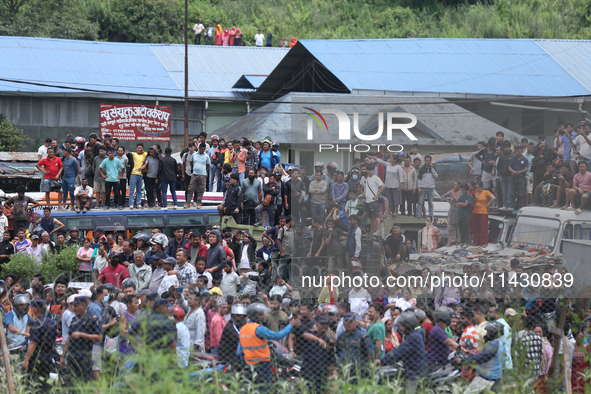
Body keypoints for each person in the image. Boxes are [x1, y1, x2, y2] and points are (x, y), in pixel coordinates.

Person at [239, 303, 300, 393]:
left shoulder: (243, 329)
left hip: (249, 365)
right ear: (255, 316)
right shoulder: (258, 329)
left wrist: (243, 366)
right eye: (261, 315)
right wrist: (291, 325)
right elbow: (277, 336)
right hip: (262, 365)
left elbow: (241, 350)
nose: (263, 317)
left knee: (252, 389)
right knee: (265, 389)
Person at [377, 311, 428, 394]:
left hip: (415, 375)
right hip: (413, 371)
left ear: (408, 325)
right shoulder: (413, 334)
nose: (400, 328)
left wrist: (381, 361)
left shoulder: (413, 337)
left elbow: (399, 351)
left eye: (402, 326)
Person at [453, 321, 507, 394]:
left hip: (485, 379)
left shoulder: (494, 345)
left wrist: (462, 360)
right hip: (493, 377)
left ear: (494, 333)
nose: (487, 334)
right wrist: (471, 354)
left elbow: (481, 359)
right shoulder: (500, 342)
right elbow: (485, 356)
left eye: (489, 332)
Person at [59, 296, 102, 383]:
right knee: (72, 383)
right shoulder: (74, 319)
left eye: (77, 306)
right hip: (72, 357)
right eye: (73, 306)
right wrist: (63, 357)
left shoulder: (93, 319)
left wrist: (82, 335)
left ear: (84, 306)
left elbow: (99, 337)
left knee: (85, 383)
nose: (74, 308)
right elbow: (69, 338)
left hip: (85, 358)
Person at [336, 312, 374, 381]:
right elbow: (338, 352)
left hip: (358, 371)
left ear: (355, 322)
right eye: (346, 322)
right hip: (344, 371)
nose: (348, 324)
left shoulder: (362, 337)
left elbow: (370, 355)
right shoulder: (340, 337)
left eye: (351, 321)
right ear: (343, 323)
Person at [426, 307, 458, 372]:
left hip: (439, 363)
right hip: (436, 364)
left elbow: (445, 346)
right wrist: (462, 349)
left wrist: (455, 350)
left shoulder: (440, 329)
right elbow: (449, 342)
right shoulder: (438, 329)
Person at [360, 163, 385, 236]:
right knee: (371, 217)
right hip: (367, 200)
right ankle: (372, 231)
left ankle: (378, 231)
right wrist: (362, 195)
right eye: (369, 170)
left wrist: (377, 195)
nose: (370, 171)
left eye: (371, 170)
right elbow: (366, 190)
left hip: (374, 200)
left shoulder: (376, 178)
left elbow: (383, 186)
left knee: (376, 216)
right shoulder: (366, 178)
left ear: (374, 170)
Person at [186, 143, 210, 209]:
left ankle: (199, 203)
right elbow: (191, 163)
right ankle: (188, 203)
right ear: (199, 148)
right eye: (202, 149)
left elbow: (208, 165)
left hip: (202, 175)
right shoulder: (194, 155)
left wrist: (204, 171)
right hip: (194, 174)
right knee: (190, 188)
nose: (203, 150)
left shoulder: (206, 156)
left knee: (201, 190)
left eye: (204, 149)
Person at [471, 182, 496, 247]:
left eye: (478, 187)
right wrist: (474, 199)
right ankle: (476, 241)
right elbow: (472, 205)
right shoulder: (475, 194)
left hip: (483, 212)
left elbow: (493, 198)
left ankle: (483, 242)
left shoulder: (486, 192)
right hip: (475, 211)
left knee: (483, 227)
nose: (477, 189)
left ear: (481, 187)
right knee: (475, 228)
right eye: (476, 188)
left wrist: (488, 204)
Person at [442, 181, 461, 245]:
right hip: (452, 210)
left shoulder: (461, 192)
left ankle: (458, 241)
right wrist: (448, 200)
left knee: (458, 226)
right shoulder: (451, 192)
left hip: (459, 210)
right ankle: (451, 240)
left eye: (456, 185)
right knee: (451, 226)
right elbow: (442, 197)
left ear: (459, 185)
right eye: (454, 185)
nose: (455, 186)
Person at [129, 143, 147, 210]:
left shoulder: (144, 155)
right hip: (133, 173)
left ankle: (138, 203)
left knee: (139, 190)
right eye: (138, 148)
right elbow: (128, 154)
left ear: (143, 149)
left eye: (141, 148)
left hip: (140, 174)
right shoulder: (133, 154)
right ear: (136, 148)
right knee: (132, 190)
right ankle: (131, 204)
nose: (140, 149)